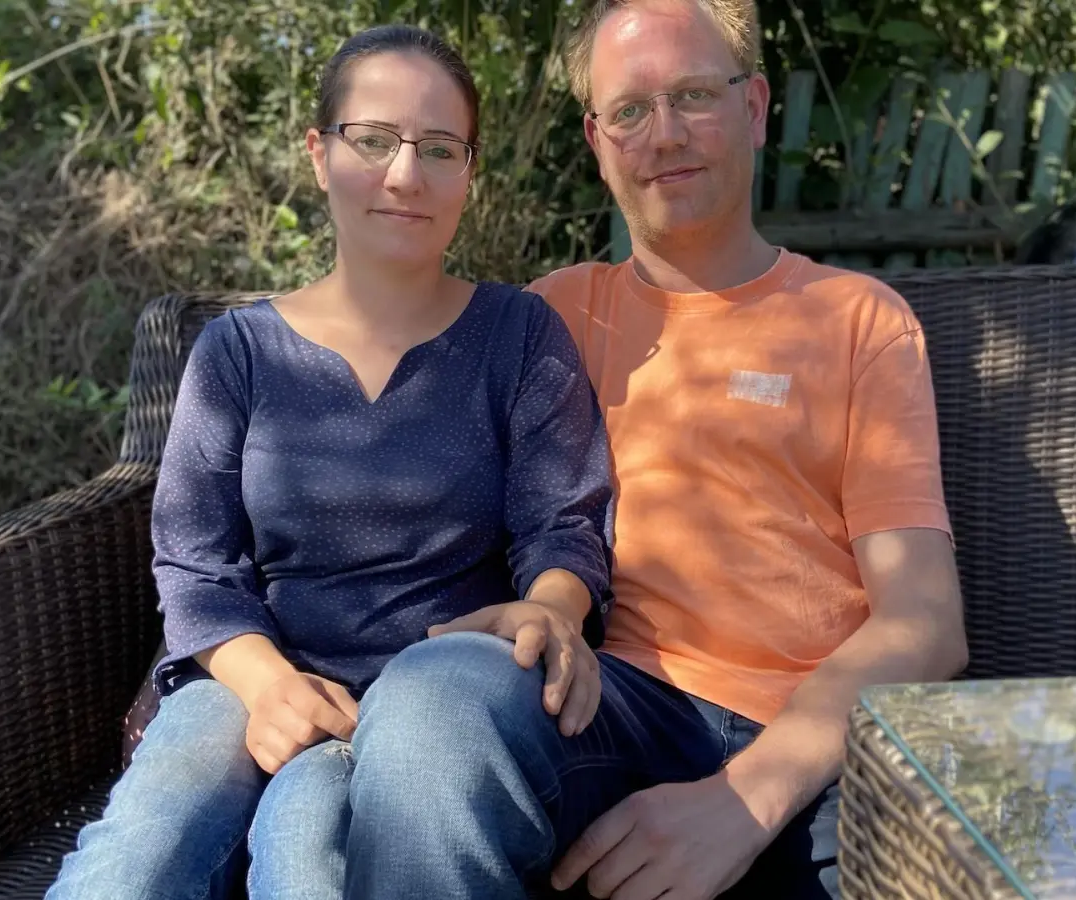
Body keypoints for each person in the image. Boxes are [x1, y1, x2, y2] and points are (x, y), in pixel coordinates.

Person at [337, 1, 970, 898]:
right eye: (630, 110)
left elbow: (926, 623)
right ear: (597, 142)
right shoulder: (547, 318)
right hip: (602, 710)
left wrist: (741, 801)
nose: (664, 133)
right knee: (432, 704)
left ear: (754, 108)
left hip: (815, 749)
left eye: (694, 95)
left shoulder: (858, 321)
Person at [45, 24, 615, 900]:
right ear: (319, 154)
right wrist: (268, 684)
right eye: (374, 139)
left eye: (440, 148)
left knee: (307, 856)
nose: (406, 174)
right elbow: (194, 560)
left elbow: (564, 526)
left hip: (436, 699)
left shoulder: (519, 336)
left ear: (470, 172)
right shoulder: (238, 352)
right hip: (248, 673)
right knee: (136, 859)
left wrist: (553, 611)